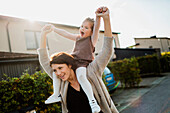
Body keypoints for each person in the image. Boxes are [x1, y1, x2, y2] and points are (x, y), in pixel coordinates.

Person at [38, 7, 119, 113]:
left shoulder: (91, 71)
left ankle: (92, 102)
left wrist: (104, 18)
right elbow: (44, 60)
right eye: (55, 70)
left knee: (81, 76)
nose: (58, 73)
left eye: (60, 68)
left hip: (83, 64)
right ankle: (55, 94)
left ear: (69, 65)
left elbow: (107, 49)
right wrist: (44, 34)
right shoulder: (62, 82)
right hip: (76, 61)